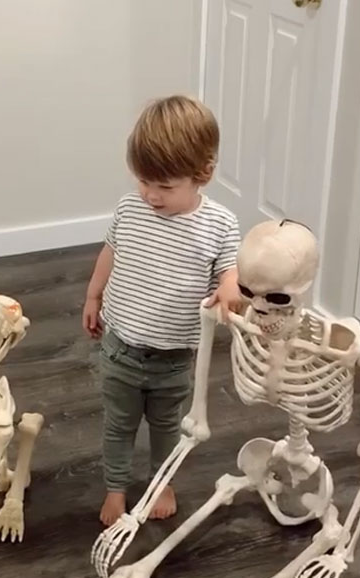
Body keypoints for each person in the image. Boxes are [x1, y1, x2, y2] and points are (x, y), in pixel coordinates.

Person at [82, 95, 242, 527]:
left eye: (164, 186)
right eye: (143, 181)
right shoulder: (129, 208)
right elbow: (110, 253)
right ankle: (116, 489)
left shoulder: (220, 225)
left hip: (173, 359)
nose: (150, 195)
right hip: (120, 349)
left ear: (202, 174)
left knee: (167, 427)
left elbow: (230, 271)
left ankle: (161, 481)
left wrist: (230, 289)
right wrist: (94, 296)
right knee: (118, 425)